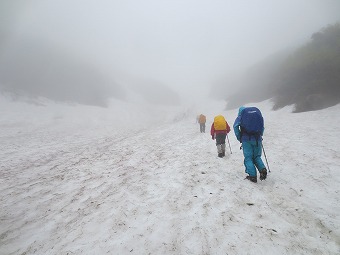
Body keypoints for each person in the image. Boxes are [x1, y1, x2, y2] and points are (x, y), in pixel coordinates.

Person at [233, 106, 267, 183]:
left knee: (248, 158)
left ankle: (252, 176)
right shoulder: (256, 115)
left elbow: (235, 126)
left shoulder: (241, 116)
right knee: (257, 157)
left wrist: (239, 137)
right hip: (257, 139)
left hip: (246, 139)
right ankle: (262, 169)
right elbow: (262, 125)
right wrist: (260, 134)